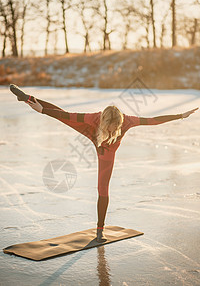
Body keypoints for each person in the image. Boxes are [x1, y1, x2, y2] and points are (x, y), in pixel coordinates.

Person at [10, 84, 199, 242]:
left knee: (103, 188)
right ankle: (28, 99)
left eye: (115, 128)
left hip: (107, 151)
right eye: (110, 127)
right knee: (62, 114)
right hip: (92, 133)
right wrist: (42, 111)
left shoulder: (127, 122)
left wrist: (180, 115)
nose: (113, 130)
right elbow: (66, 115)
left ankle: (100, 228)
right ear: (104, 121)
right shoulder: (93, 118)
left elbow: (153, 120)